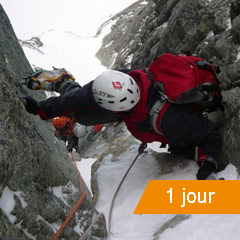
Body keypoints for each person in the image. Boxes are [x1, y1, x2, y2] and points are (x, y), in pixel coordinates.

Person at [23, 53, 223, 180]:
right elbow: (78, 98)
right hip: (141, 113)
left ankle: (63, 82)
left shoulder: (170, 119)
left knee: (83, 116)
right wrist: (42, 108)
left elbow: (210, 134)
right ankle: (63, 82)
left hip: (162, 120)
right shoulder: (118, 81)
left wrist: (210, 161)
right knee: (82, 114)